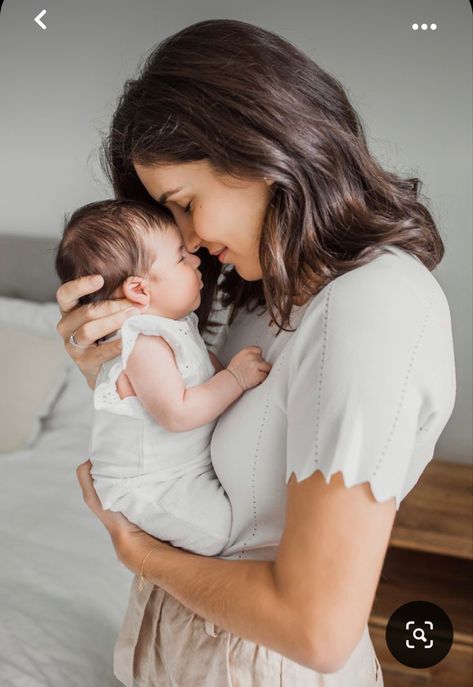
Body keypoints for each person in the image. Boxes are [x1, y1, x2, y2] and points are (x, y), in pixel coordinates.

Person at [56, 19, 456, 686]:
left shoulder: (372, 307)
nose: (185, 238)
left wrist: (141, 553)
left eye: (183, 205)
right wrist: (116, 372)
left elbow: (317, 631)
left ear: (260, 150)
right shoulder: (259, 292)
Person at [55, 198, 271, 556]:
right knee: (221, 532)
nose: (197, 258)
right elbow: (177, 412)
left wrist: (221, 371)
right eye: (182, 259)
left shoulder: (171, 327)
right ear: (139, 289)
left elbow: (196, 369)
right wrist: (234, 379)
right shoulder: (143, 344)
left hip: (182, 470)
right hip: (151, 485)